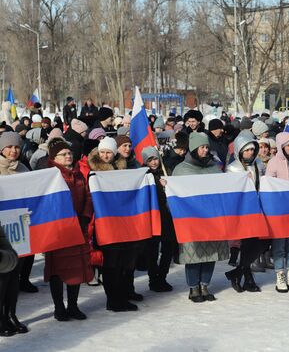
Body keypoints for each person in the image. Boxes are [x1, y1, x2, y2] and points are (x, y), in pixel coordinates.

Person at [172, 132, 229, 302]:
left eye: (207, 147)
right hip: (192, 219)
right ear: (194, 149)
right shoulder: (181, 170)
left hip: (212, 219)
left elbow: (224, 189)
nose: (205, 150)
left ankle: (205, 285)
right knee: (194, 255)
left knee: (210, 253)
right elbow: (175, 196)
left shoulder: (214, 168)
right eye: (202, 147)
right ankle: (193, 288)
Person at [88, 137, 138, 311]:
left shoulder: (122, 167)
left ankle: (121, 297)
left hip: (122, 222)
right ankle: (113, 300)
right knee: (110, 264)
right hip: (103, 223)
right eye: (102, 152)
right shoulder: (91, 170)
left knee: (123, 263)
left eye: (109, 152)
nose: (105, 155)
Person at [46, 140, 94, 320]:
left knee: (76, 268)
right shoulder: (49, 176)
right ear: (54, 158)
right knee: (57, 270)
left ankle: (73, 306)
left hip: (77, 228)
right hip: (57, 231)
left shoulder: (78, 174)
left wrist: (84, 216)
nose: (68, 156)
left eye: (69, 153)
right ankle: (59, 307)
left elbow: (88, 196)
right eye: (63, 154)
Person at [224, 132, 268, 292]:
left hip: (258, 209)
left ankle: (238, 272)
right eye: (246, 150)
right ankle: (248, 278)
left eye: (252, 149)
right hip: (241, 211)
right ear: (239, 151)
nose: (250, 153)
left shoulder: (259, 164)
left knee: (261, 242)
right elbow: (230, 191)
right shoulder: (233, 168)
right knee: (247, 244)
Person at [266, 132, 289, 292]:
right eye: (287, 145)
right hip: (279, 211)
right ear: (281, 146)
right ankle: (280, 274)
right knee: (280, 246)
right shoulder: (273, 163)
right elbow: (269, 185)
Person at [0, 132, 29, 335]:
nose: (13, 151)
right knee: (2, 278)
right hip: (1, 233)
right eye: (9, 147)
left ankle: (11, 314)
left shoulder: (24, 169)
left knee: (15, 278)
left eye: (17, 147)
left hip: (20, 230)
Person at [141, 147, 177, 292]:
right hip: (153, 216)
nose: (154, 162)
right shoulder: (143, 174)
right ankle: (153, 279)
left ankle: (162, 276)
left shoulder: (166, 170)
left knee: (168, 248)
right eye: (150, 160)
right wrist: (157, 182)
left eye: (155, 158)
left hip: (168, 216)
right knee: (153, 250)